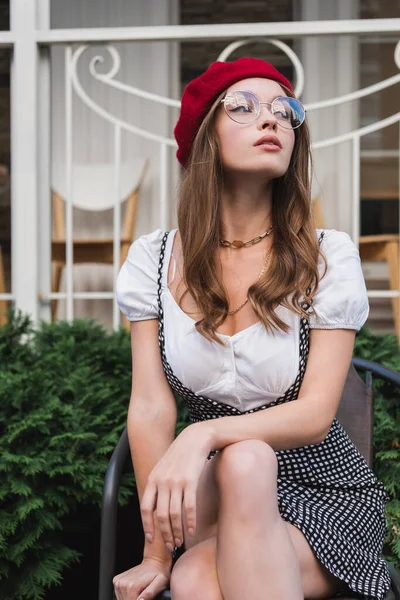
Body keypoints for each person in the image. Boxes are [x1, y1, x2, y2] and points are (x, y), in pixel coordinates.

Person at [113, 58, 391, 600]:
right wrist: (154, 552)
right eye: (243, 107)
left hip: (322, 492)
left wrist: (204, 433)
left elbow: (314, 416)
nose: (271, 120)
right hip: (214, 492)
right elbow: (149, 406)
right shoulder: (153, 259)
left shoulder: (327, 256)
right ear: (204, 138)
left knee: (236, 481)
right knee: (225, 491)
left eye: (284, 111)